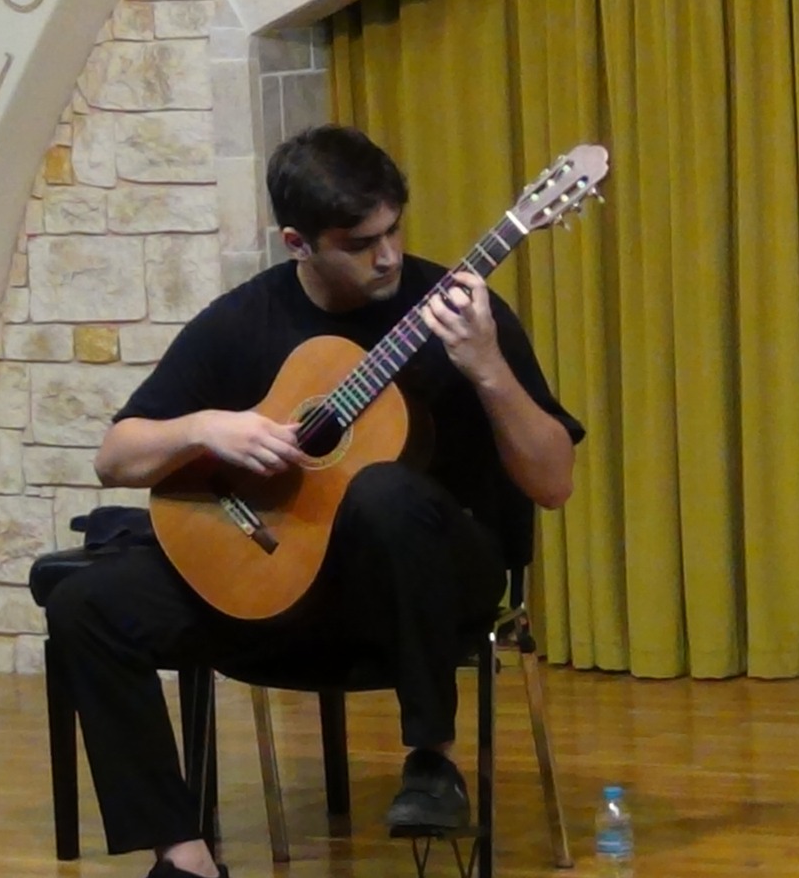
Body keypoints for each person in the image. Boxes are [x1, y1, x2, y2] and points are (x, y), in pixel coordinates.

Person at [45, 124, 585, 878]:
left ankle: (433, 761)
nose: (387, 256)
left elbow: (553, 484)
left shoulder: (462, 314)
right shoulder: (246, 319)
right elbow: (115, 457)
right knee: (86, 606)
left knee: (382, 489)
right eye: (360, 243)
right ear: (297, 243)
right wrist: (207, 428)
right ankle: (184, 855)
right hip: (283, 588)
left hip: (426, 592)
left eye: (393, 231)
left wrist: (488, 367)